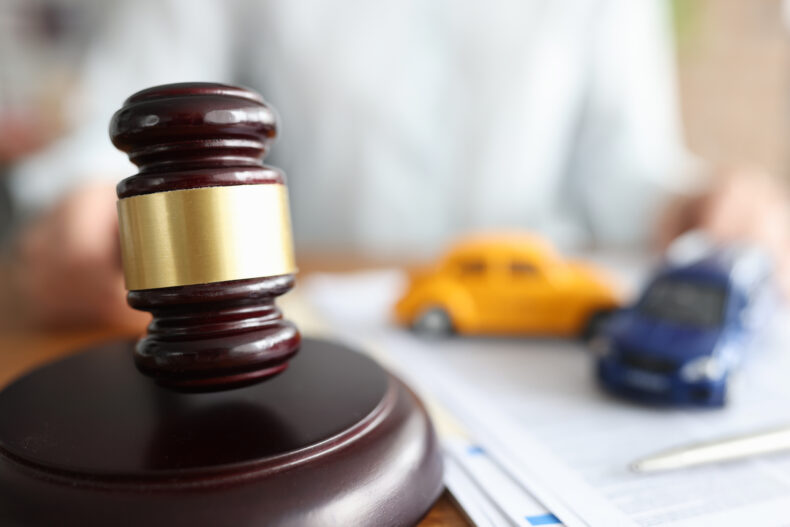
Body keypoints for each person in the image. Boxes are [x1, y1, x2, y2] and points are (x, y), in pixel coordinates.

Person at [3, 0, 789, 327]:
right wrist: (85, 210)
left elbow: (625, 171)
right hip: (294, 340)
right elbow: (119, 126)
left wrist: (703, 207)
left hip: (530, 339)